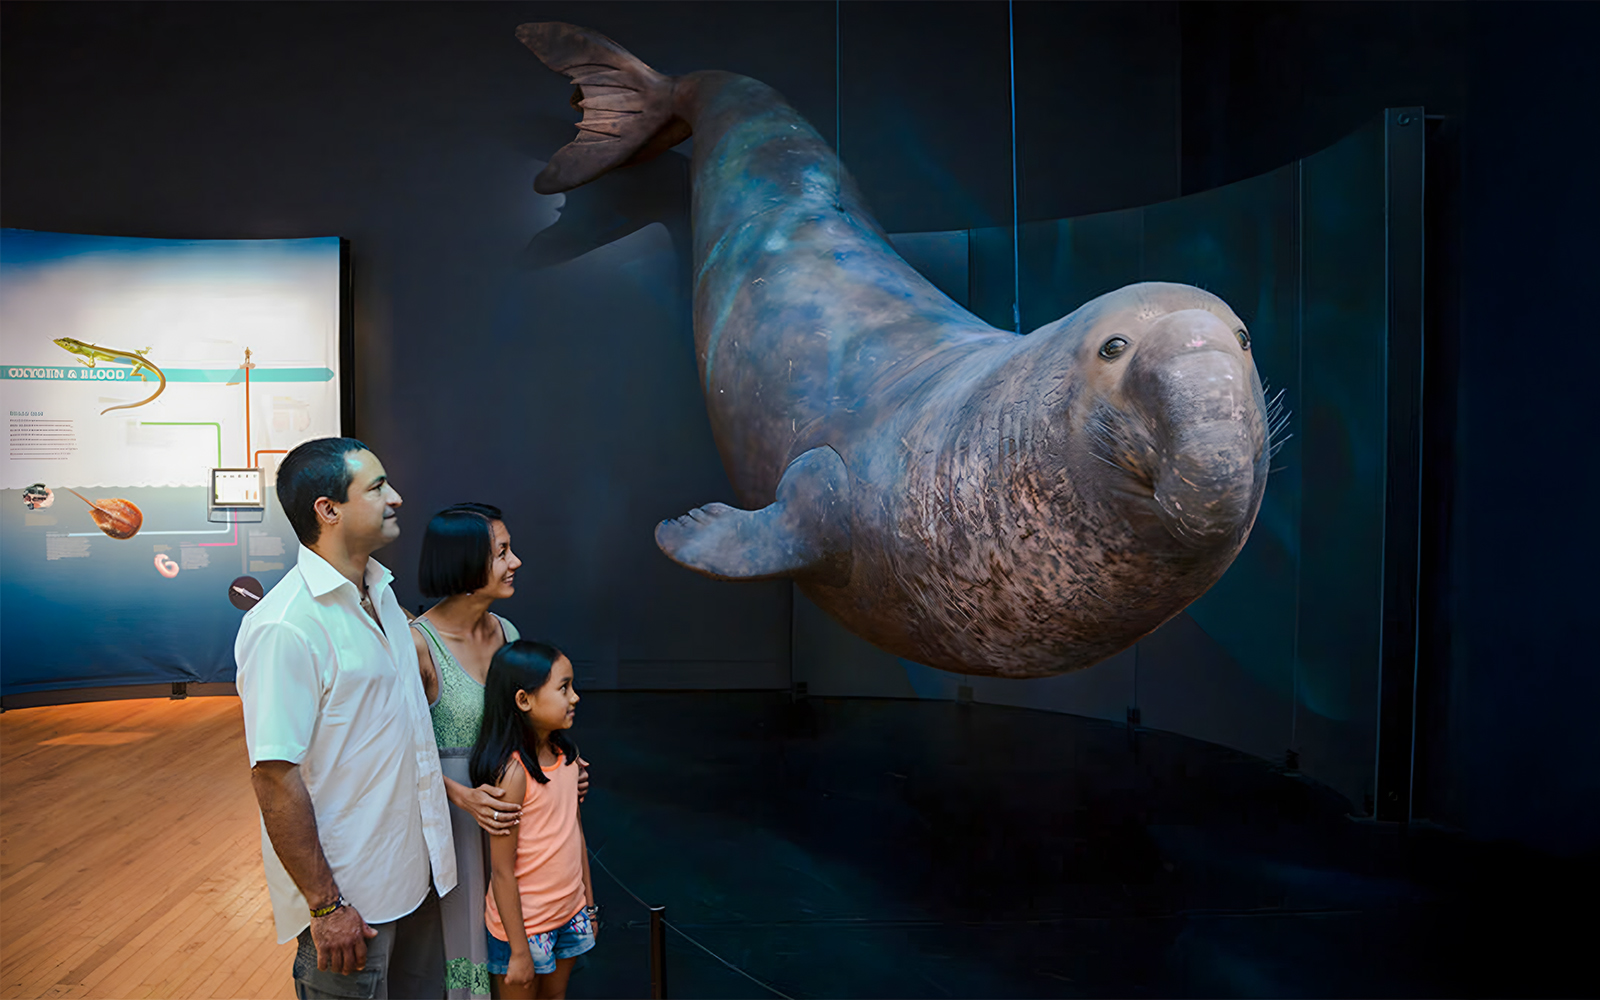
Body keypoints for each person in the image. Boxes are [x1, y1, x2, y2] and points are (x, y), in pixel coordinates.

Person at [236, 437, 455, 999]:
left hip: (418, 877)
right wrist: (326, 905)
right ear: (327, 510)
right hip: (351, 907)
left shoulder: (380, 594)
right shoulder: (284, 627)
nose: (397, 498)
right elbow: (274, 775)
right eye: (378, 487)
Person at [411, 503, 586, 999]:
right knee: (465, 947)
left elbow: (524, 728)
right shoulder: (418, 645)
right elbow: (396, 751)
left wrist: (558, 768)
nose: (516, 562)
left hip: (515, 824)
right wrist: (462, 796)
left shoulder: (506, 632)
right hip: (455, 826)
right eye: (503, 552)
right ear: (466, 565)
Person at [470, 640, 596, 1000]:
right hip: (524, 930)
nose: (574, 697)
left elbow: (575, 836)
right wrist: (520, 950)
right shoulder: (513, 775)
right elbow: (502, 870)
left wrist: (588, 906)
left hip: (570, 913)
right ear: (524, 700)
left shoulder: (568, 760)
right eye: (563, 688)